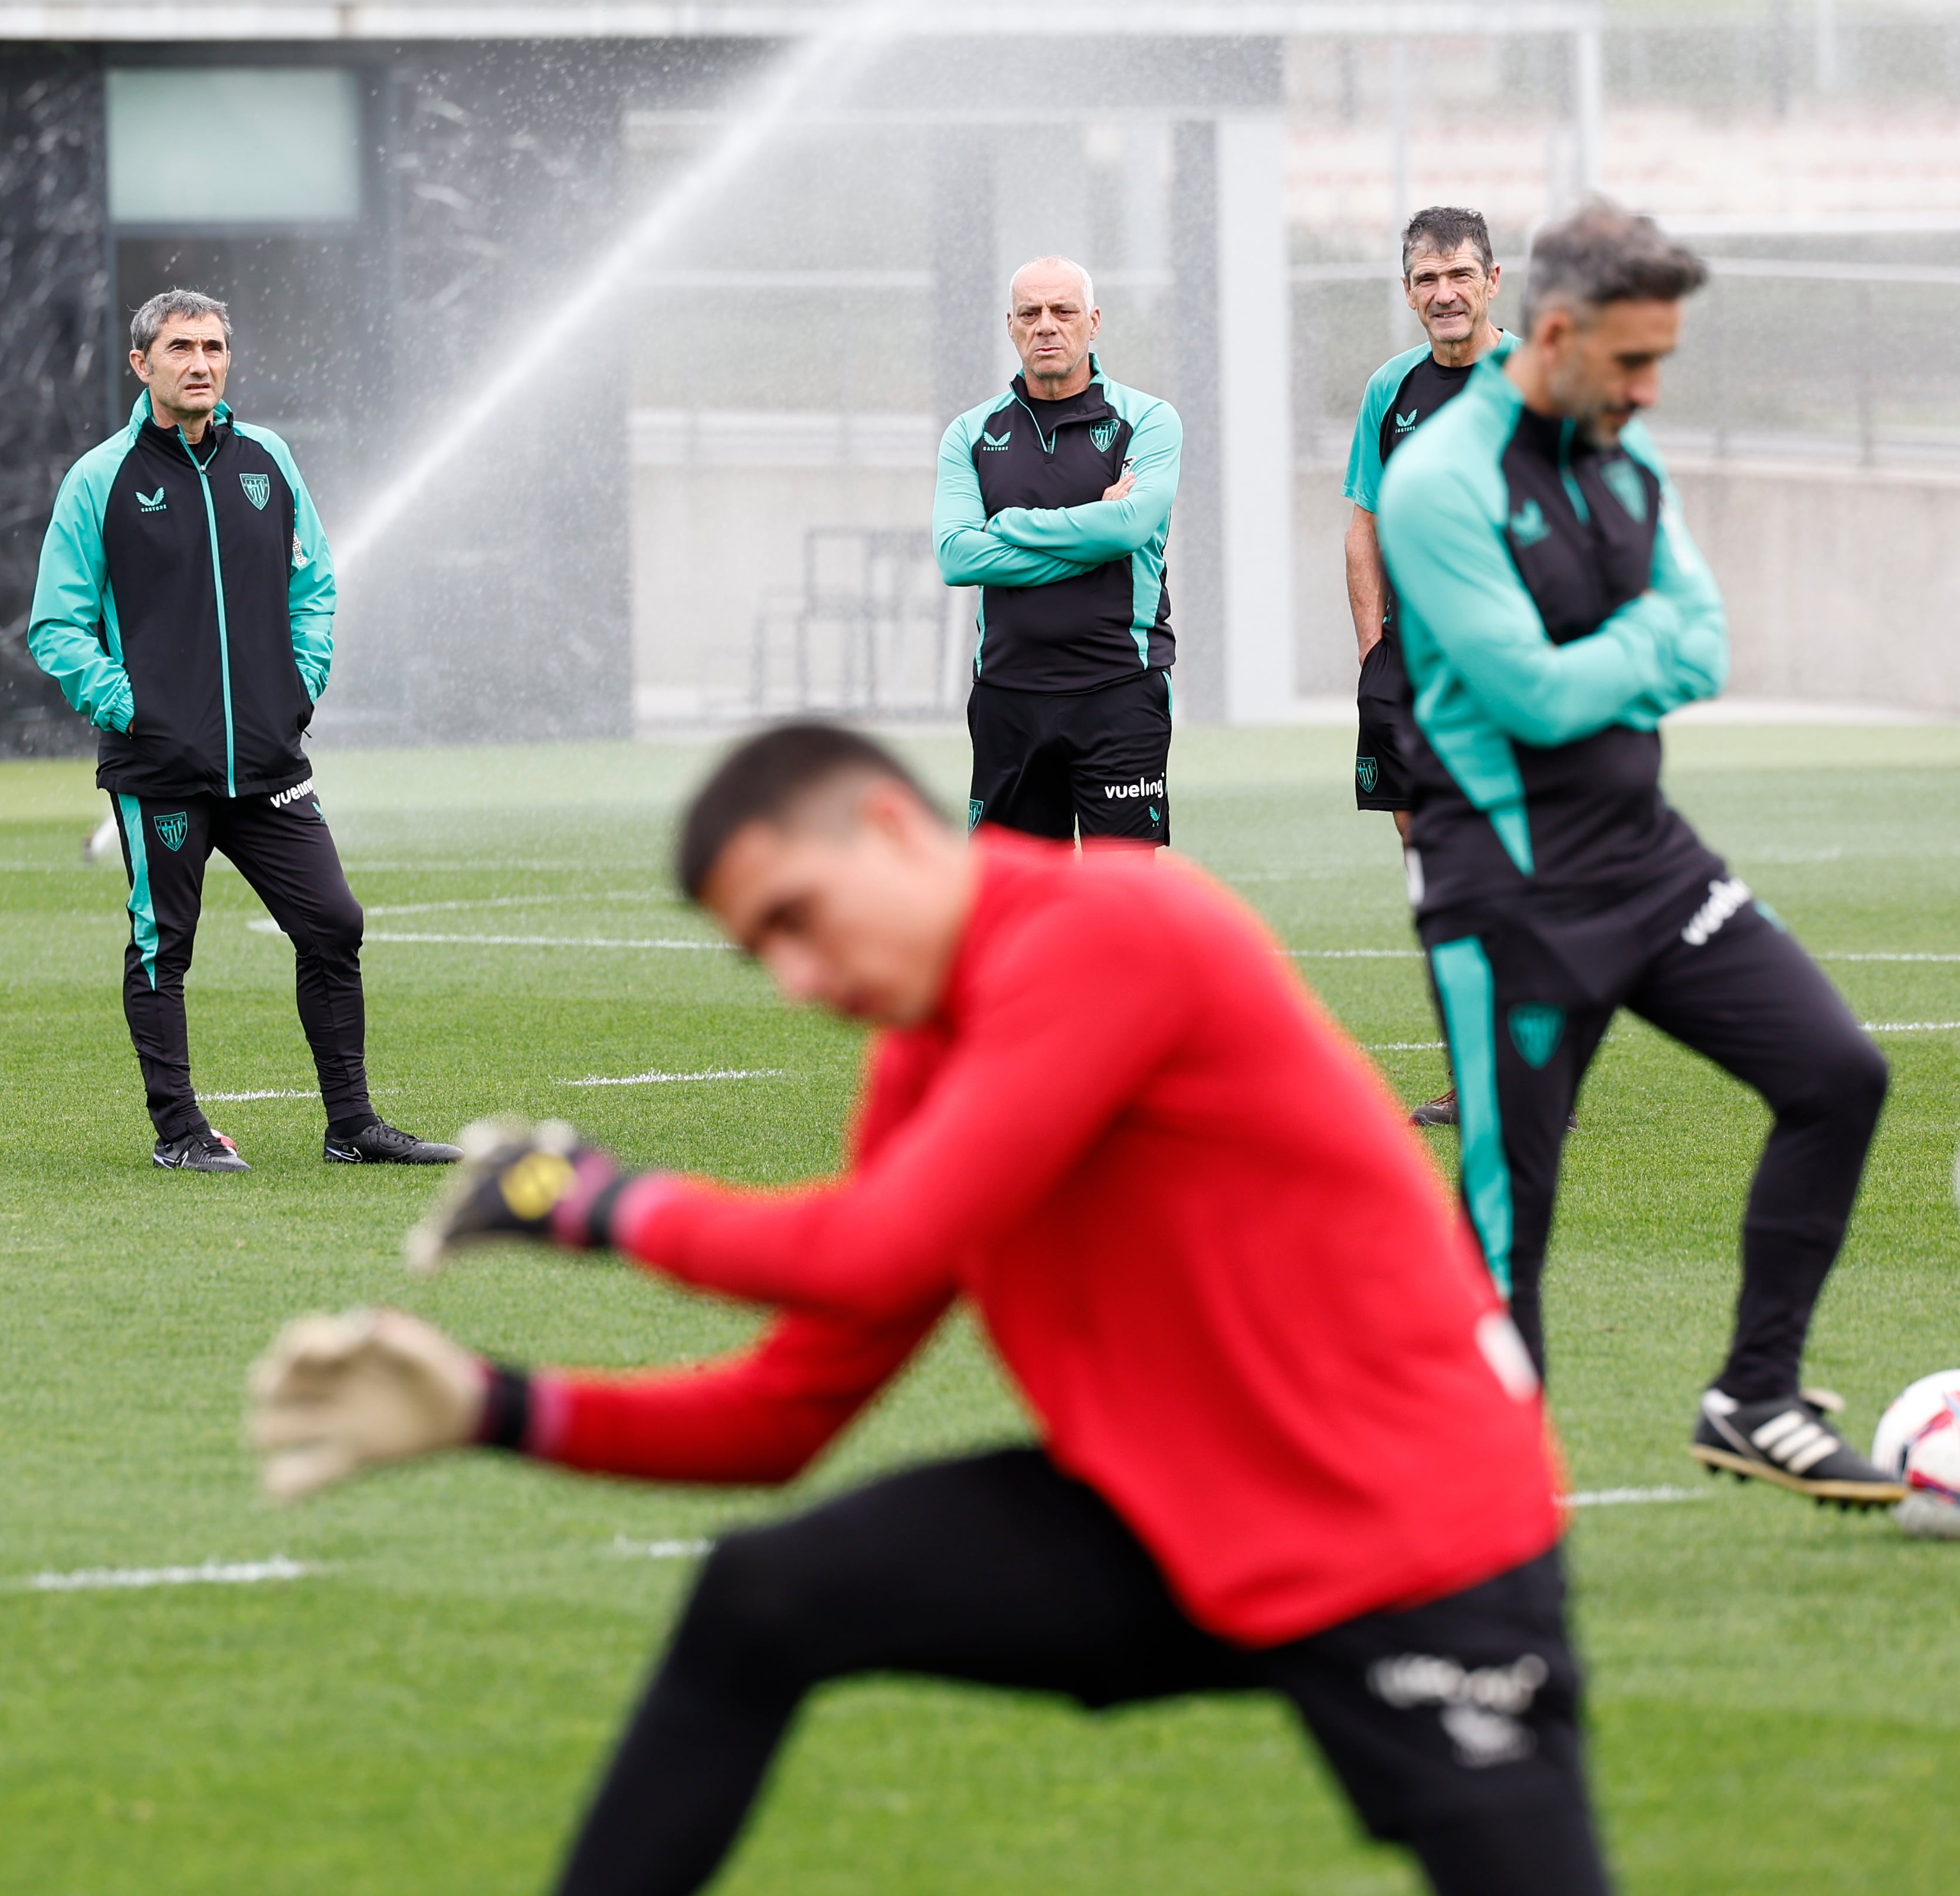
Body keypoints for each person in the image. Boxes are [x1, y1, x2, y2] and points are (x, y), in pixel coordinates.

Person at [248, 723, 1612, 1896]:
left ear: (895, 828)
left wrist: (589, 1200)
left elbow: (873, 1246)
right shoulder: (925, 1057)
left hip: (1406, 1536)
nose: (795, 978)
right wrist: (494, 1408)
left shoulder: (1107, 929)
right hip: (1171, 1508)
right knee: (762, 1599)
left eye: (794, 916)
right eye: (755, 954)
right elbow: (782, 1414)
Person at [1377, 201, 1896, 1503]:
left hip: (1652, 864)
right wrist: (1637, 650)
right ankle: (1481, 1492)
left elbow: (1705, 640)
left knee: (1837, 1073)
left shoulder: (1620, 454)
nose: (1652, 388)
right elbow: (1535, 698)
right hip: (1506, 893)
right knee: (1510, 1217)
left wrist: (1620, 656)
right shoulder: (1437, 482)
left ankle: (1752, 1395)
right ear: (1555, 333)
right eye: (1632, 360)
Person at [29, 291, 456, 1173]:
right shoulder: (100, 480)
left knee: (334, 923)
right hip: (162, 767)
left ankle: (353, 1126)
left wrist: (300, 684)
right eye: (180, 346)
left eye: (215, 346)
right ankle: (180, 1131)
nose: (201, 362)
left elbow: (315, 585)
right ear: (140, 365)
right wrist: (130, 704)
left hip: (269, 760)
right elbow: (55, 627)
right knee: (163, 946)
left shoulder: (269, 460)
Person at [1346, 208, 1509, 1129]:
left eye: (1458, 275)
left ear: (1492, 281)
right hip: (1409, 662)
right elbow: (1363, 522)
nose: (1442, 294)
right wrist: (1374, 651)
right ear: (1409, 291)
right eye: (1424, 280)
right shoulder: (1391, 391)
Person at [933, 257, 1181, 847]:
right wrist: (1092, 537)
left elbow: (1128, 527)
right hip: (1006, 695)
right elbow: (956, 556)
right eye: (1030, 313)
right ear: (1010, 325)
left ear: (1092, 322)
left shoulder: (1146, 420)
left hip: (1119, 691)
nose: (1046, 325)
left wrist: (1012, 524)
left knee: (1117, 900)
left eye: (1062, 311)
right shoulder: (969, 433)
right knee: (1010, 903)